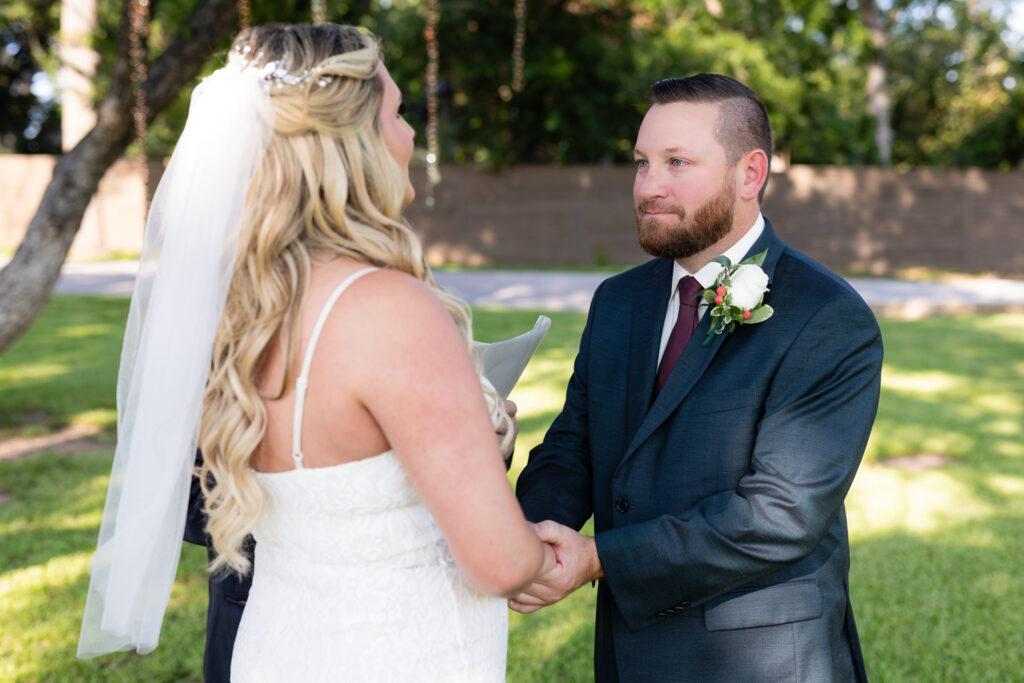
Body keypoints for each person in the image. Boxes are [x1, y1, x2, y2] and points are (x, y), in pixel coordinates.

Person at [78, 23, 554, 681]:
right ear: (351, 141)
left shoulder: (242, 312)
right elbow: (500, 560)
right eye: (396, 114)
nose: (411, 137)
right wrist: (549, 553)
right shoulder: (393, 307)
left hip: (276, 649)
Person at [511, 74, 882, 682]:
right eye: (641, 163)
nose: (648, 186)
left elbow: (781, 513)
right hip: (629, 655)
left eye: (677, 162)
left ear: (749, 174)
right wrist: (523, 543)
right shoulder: (618, 301)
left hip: (761, 660)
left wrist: (597, 556)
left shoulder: (827, 317)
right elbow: (575, 447)